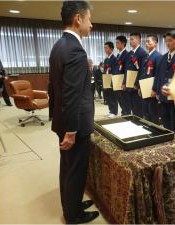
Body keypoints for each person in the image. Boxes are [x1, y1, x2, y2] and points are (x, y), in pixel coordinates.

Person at [48, 1, 99, 223]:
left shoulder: (59, 45)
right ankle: (74, 214)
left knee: (67, 166)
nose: (91, 24)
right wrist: (70, 130)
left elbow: (54, 87)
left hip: (63, 120)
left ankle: (71, 203)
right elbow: (71, 95)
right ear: (78, 18)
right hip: (74, 125)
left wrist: (59, 121)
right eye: (89, 19)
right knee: (76, 169)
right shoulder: (76, 50)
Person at [154, 30, 175, 134]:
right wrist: (157, 91)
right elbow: (159, 75)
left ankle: (174, 144)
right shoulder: (163, 57)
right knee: (165, 122)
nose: (168, 43)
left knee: (174, 124)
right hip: (163, 95)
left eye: (170, 40)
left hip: (174, 97)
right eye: (166, 41)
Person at [137, 34, 162, 124]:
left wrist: (155, 89)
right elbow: (142, 73)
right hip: (145, 87)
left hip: (152, 89)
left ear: (155, 43)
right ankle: (148, 129)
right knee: (146, 112)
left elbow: (158, 74)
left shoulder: (158, 56)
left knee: (153, 113)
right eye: (146, 42)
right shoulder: (146, 56)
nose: (146, 44)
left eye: (149, 41)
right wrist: (140, 87)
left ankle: (155, 132)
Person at [124, 33, 147, 117]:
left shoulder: (142, 53)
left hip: (136, 86)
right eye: (130, 39)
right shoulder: (130, 53)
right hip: (129, 84)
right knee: (132, 107)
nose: (130, 41)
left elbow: (142, 70)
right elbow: (126, 68)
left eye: (132, 39)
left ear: (138, 40)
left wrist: (137, 84)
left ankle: (139, 124)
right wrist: (124, 82)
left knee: (138, 109)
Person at [114, 35, 131, 115]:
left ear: (123, 43)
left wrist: (124, 82)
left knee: (124, 99)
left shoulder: (127, 54)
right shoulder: (118, 55)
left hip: (123, 81)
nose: (116, 44)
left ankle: (126, 113)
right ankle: (123, 112)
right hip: (117, 80)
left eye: (118, 43)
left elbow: (127, 69)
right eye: (116, 42)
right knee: (119, 98)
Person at [103, 41, 118, 118]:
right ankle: (110, 110)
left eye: (106, 48)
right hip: (106, 79)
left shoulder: (114, 59)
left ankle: (114, 112)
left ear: (111, 49)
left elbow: (115, 70)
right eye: (104, 48)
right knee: (108, 96)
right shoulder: (106, 60)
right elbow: (105, 71)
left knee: (113, 96)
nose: (105, 49)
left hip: (112, 79)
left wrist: (113, 81)